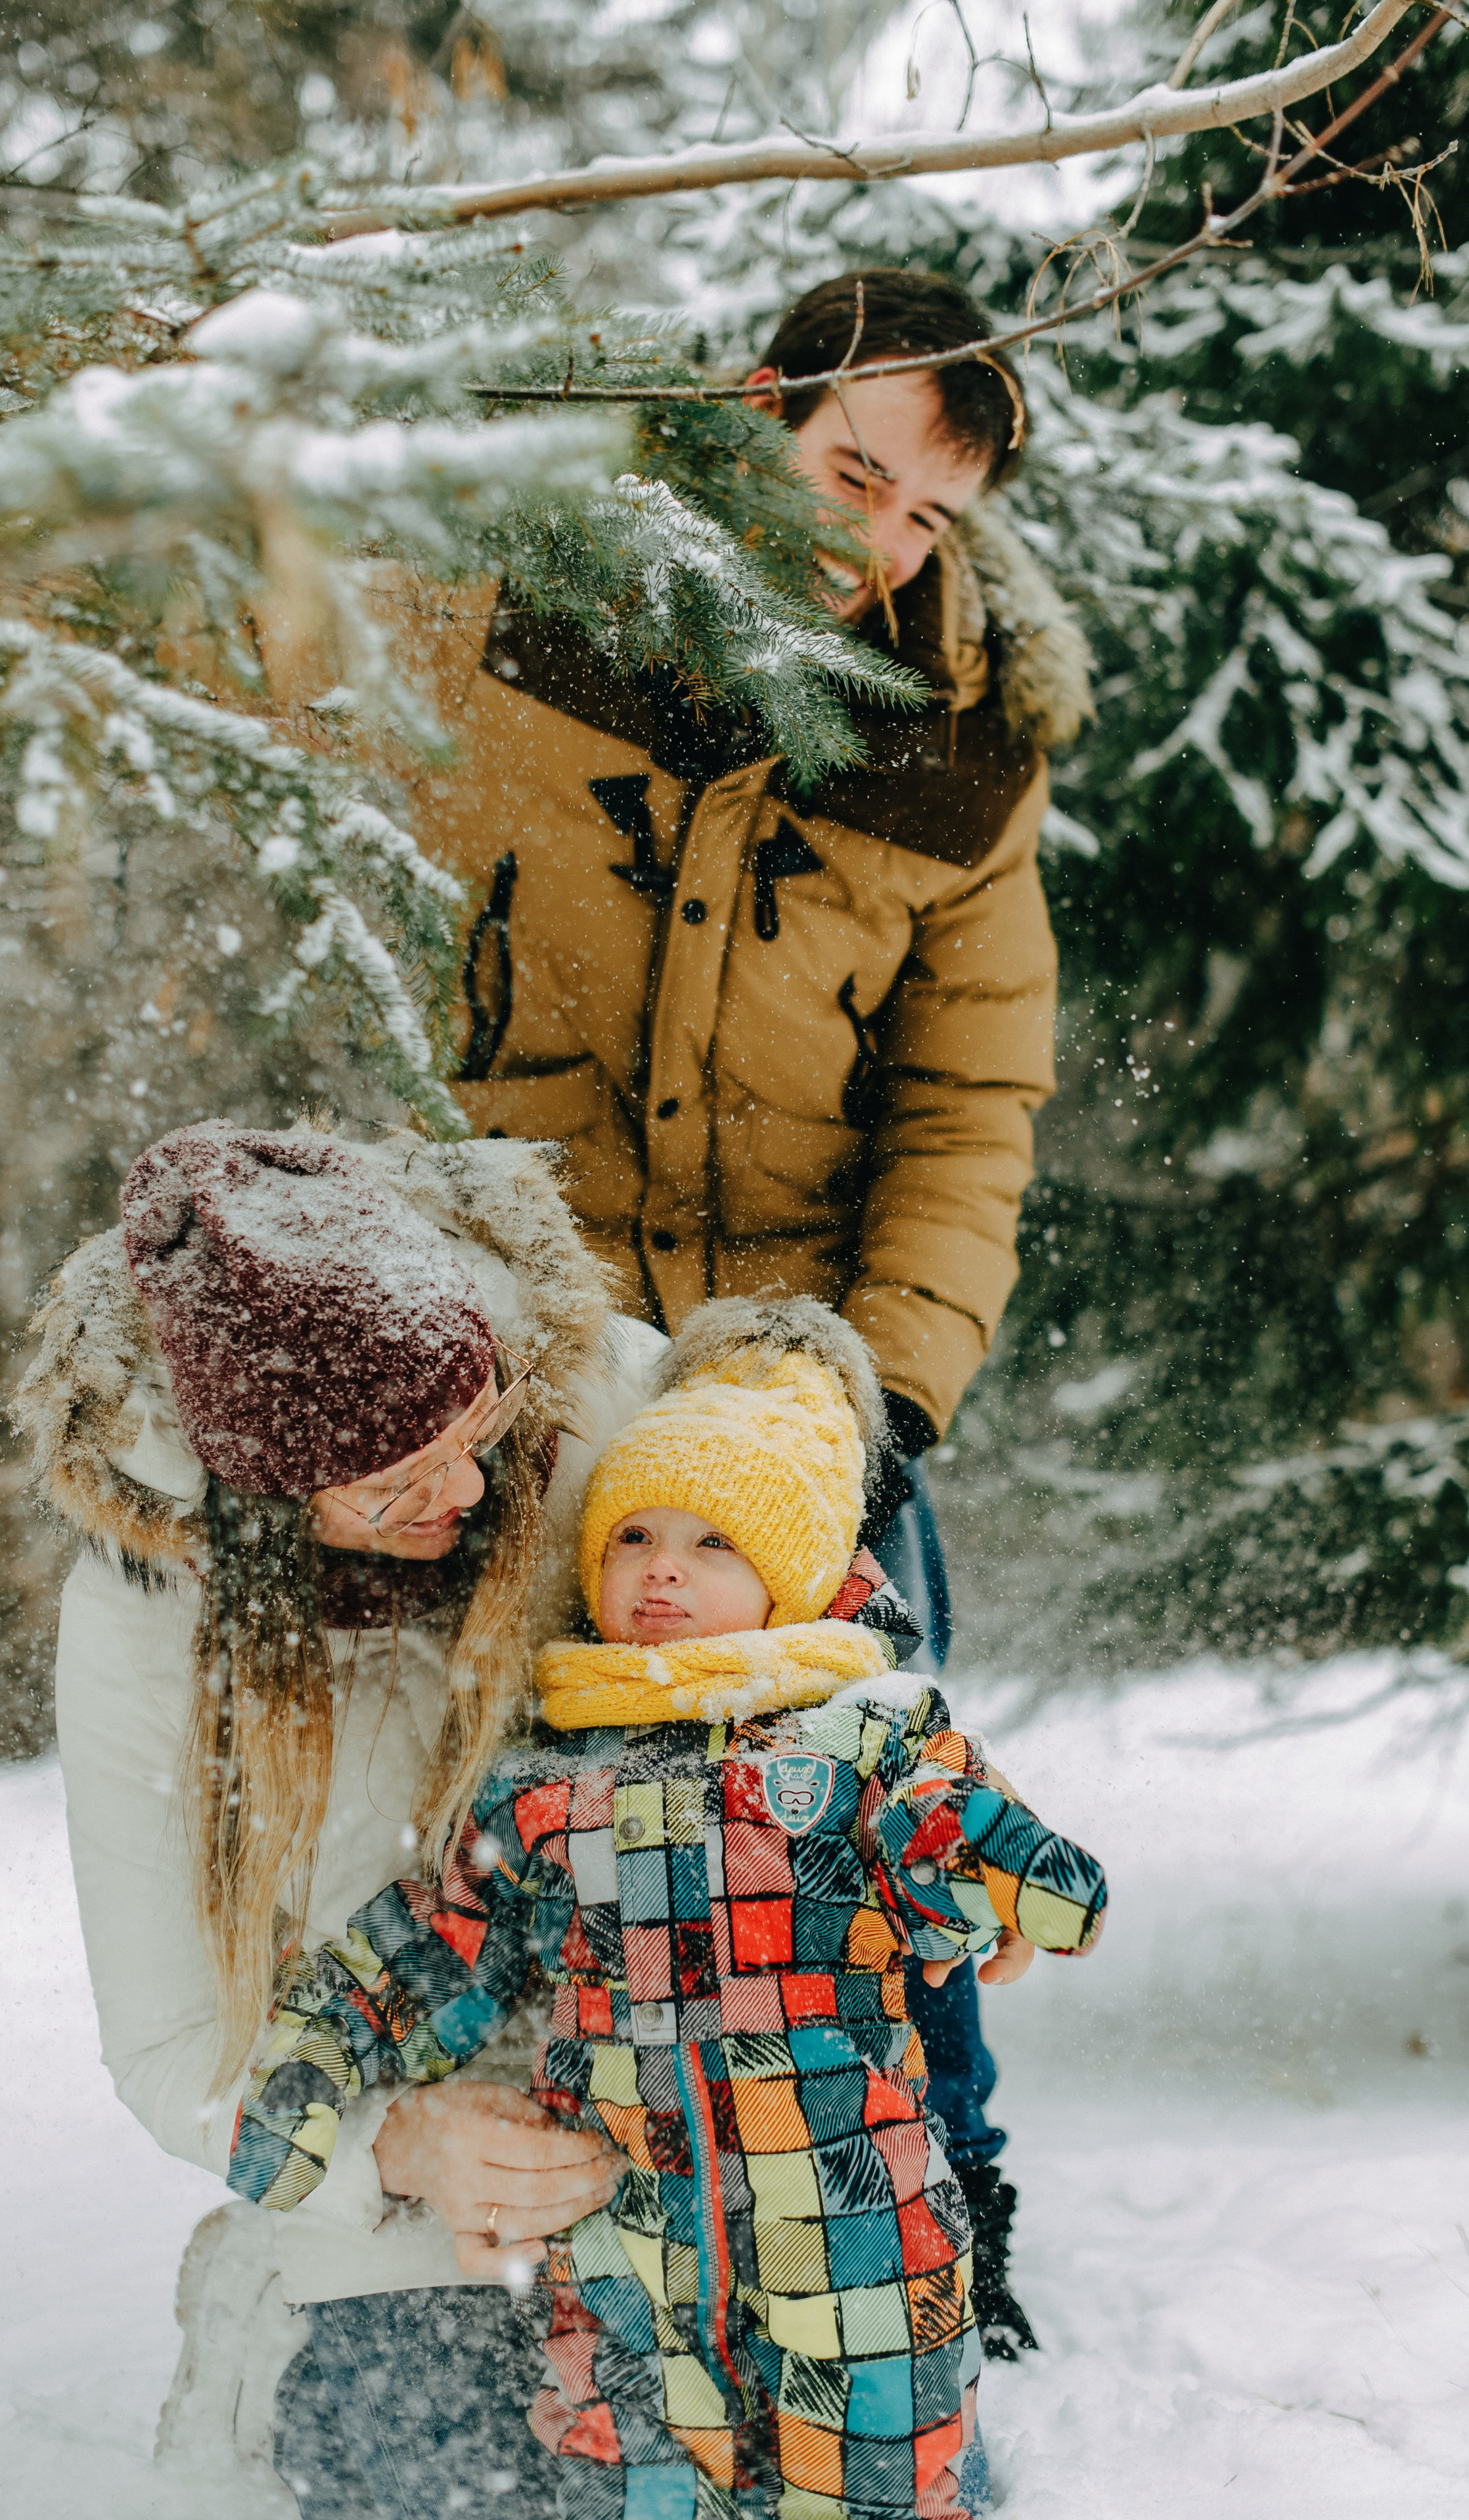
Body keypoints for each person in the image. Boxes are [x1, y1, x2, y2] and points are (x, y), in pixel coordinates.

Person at [383, 266, 1094, 2347]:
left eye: (926, 515)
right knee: (499, 1817)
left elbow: (974, 1104)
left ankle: (935, 2195)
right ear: (745, 403)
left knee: (866, 1799)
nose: (876, 537)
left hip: (790, 1385)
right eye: (850, 466)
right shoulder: (502, 600)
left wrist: (882, 1399)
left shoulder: (966, 751)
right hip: (505, 1346)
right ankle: (527, 2245)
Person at [227, 1298, 1106, 2520]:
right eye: (635, 1533)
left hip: (847, 2188)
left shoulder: (862, 1739)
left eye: (714, 1543)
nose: (663, 1568)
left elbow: (949, 1823)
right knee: (638, 2449)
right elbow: (439, 1942)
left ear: (792, 1573)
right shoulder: (550, 1783)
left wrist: (1009, 1871)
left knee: (876, 2460)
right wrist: (318, 2056)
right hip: (630, 2218)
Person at [16, 1116, 672, 2516]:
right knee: (466, 2484)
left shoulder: (582, 1406)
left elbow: (798, 1612)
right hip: (385, 2157)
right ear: (265, 1507)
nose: (472, 1490)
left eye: (476, 1427)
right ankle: (268, 2296)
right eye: (392, 1487)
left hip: (665, 2099)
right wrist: (395, 2144)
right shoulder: (146, 1616)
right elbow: (170, 2046)